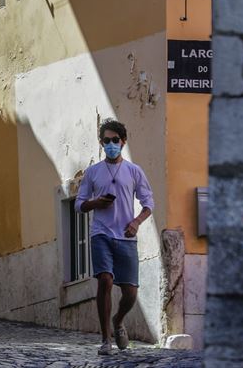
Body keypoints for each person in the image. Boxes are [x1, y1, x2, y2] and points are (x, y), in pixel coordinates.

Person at [75, 119, 154, 356]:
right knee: (105, 280)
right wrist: (95, 203)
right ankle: (105, 339)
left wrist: (136, 222)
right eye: (106, 141)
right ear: (101, 143)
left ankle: (118, 320)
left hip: (126, 236)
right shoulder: (92, 172)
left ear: (123, 142)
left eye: (115, 140)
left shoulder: (133, 171)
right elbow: (79, 205)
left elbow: (148, 202)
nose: (111, 144)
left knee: (130, 293)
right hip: (101, 233)